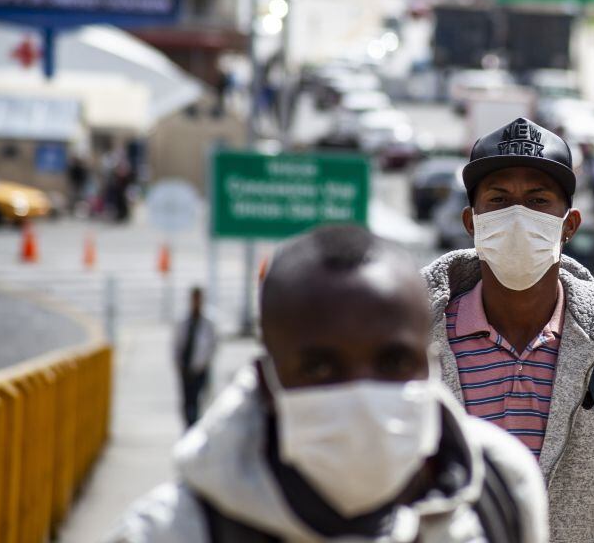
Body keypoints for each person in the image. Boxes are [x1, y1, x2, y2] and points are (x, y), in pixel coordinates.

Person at [110, 225, 548, 543]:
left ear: (429, 367)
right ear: (268, 384)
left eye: (393, 361)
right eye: (320, 369)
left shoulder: (499, 491)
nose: (362, 397)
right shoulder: (169, 532)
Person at [423, 118, 594, 542]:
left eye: (537, 200)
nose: (517, 216)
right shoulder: (416, 341)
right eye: (498, 199)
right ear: (471, 222)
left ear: (569, 225)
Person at [173, 287, 218, 427]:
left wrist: (203, 363)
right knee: (187, 400)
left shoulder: (208, 322)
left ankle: (196, 426)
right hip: (185, 367)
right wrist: (178, 364)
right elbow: (177, 344)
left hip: (200, 368)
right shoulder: (183, 321)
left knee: (200, 399)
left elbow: (213, 345)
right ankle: (189, 425)